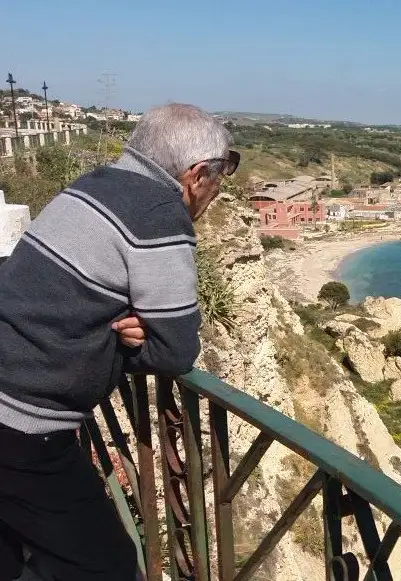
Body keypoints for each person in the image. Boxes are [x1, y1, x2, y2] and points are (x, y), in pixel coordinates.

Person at [0, 103, 239, 580]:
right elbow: (176, 351)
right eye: (221, 174)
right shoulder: (160, 216)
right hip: (23, 427)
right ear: (196, 175)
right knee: (105, 564)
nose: (219, 188)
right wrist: (132, 340)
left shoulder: (93, 184)